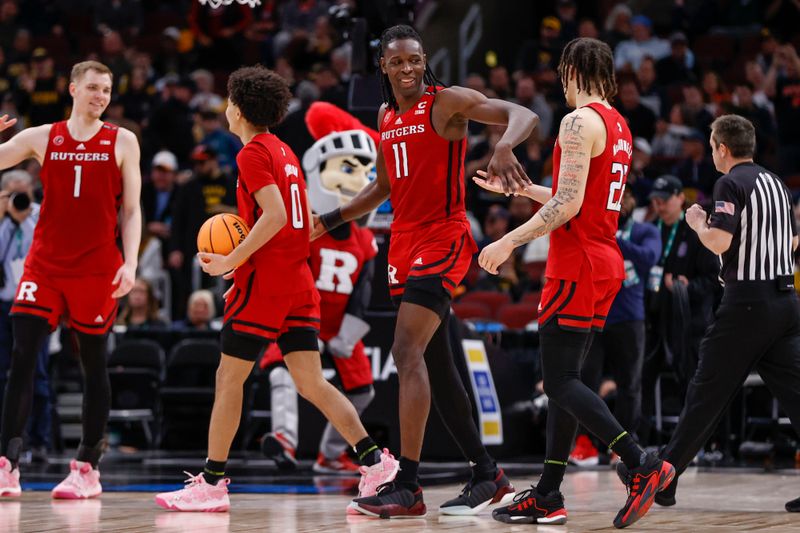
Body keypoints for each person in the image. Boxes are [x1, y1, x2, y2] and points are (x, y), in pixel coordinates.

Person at [313, 24, 536, 518]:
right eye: (398, 62)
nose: (408, 68)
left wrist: (503, 146)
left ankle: (408, 486)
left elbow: (523, 113)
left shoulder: (447, 101)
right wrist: (327, 220)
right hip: (403, 242)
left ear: (424, 59)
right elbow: (383, 187)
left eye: (415, 59)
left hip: (444, 236)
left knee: (404, 349)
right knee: (438, 364)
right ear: (384, 67)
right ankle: (487, 473)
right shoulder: (386, 115)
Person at [154, 66, 396, 513]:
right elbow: (298, 224)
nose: (225, 108)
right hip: (298, 282)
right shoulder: (284, 150)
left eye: (229, 100)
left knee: (229, 379)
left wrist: (233, 260)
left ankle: (211, 482)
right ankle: (376, 462)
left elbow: (276, 216)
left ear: (241, 109)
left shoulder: (252, 155)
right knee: (312, 382)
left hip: (266, 284)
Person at [475, 37, 674, 528]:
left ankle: (641, 462)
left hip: (576, 262)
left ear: (571, 71)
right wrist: (518, 187)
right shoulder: (618, 125)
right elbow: (578, 197)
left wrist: (509, 243)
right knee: (569, 381)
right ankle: (548, 493)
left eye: (562, 74)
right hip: (604, 258)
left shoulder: (576, 121)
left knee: (559, 381)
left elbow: (565, 208)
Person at [618, 114, 800, 514]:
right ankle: (668, 481)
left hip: (747, 304)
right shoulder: (778, 185)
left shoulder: (729, 182)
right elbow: (793, 239)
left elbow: (719, 239)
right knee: (795, 395)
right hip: (786, 302)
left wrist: (699, 223)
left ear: (720, 147)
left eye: (712, 144)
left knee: (705, 394)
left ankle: (660, 474)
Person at [0, 60, 141, 499]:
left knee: (93, 364)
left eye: (107, 90)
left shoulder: (123, 141)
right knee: (22, 357)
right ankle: (7, 464)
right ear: (73, 88)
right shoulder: (42, 136)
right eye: (94, 88)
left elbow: (132, 210)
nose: (101, 96)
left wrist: (130, 262)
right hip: (45, 265)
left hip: (97, 267)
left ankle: (86, 466)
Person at [260, 126, 379, 475]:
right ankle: (283, 440)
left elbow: (364, 291)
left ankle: (331, 454)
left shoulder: (365, 239)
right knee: (281, 373)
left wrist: (349, 333)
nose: (356, 181)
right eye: (346, 169)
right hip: (301, 316)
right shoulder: (304, 229)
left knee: (364, 390)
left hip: (340, 322)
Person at [570, 187, 662, 465]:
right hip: (595, 313)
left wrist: (616, 240)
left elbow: (650, 258)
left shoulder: (644, 230)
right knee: (585, 381)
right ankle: (585, 443)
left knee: (629, 384)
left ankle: (623, 444)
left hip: (629, 318)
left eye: (624, 199)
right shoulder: (593, 227)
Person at [0, 170, 51, 462]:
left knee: (39, 374)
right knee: (5, 373)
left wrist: (25, 216)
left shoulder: (41, 217)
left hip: (36, 303)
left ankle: (40, 440)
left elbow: (44, 248)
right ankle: (7, 440)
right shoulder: (2, 220)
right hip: (5, 304)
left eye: (24, 193)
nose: (19, 199)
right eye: (13, 193)